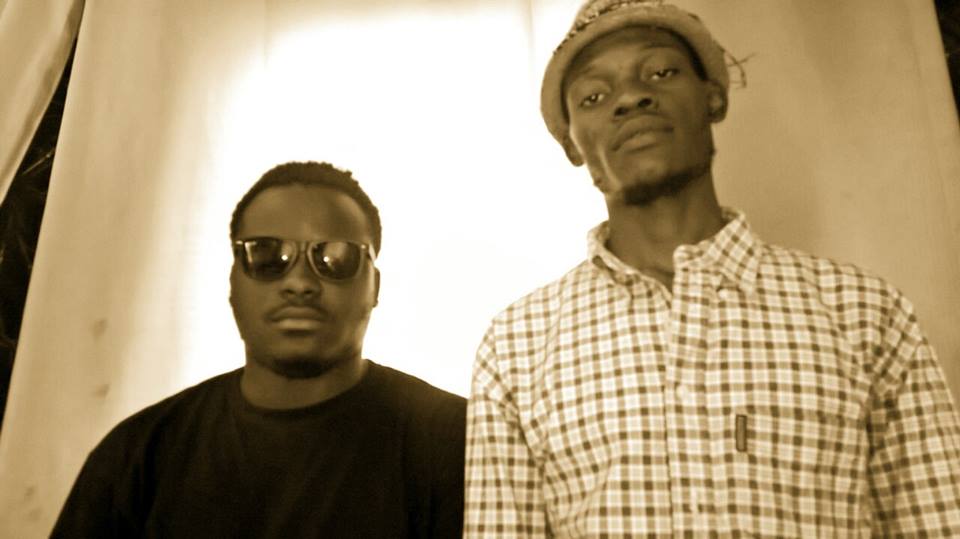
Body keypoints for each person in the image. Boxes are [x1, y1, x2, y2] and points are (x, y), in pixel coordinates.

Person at [464, 1, 960, 536]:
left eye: (661, 71)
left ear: (713, 98)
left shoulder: (866, 313)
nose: (631, 97)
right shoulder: (517, 347)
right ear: (571, 144)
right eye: (593, 97)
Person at [53, 161, 466, 538]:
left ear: (374, 286)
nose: (300, 282)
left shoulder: (459, 445)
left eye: (335, 258)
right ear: (233, 281)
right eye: (266, 255)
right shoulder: (139, 455)